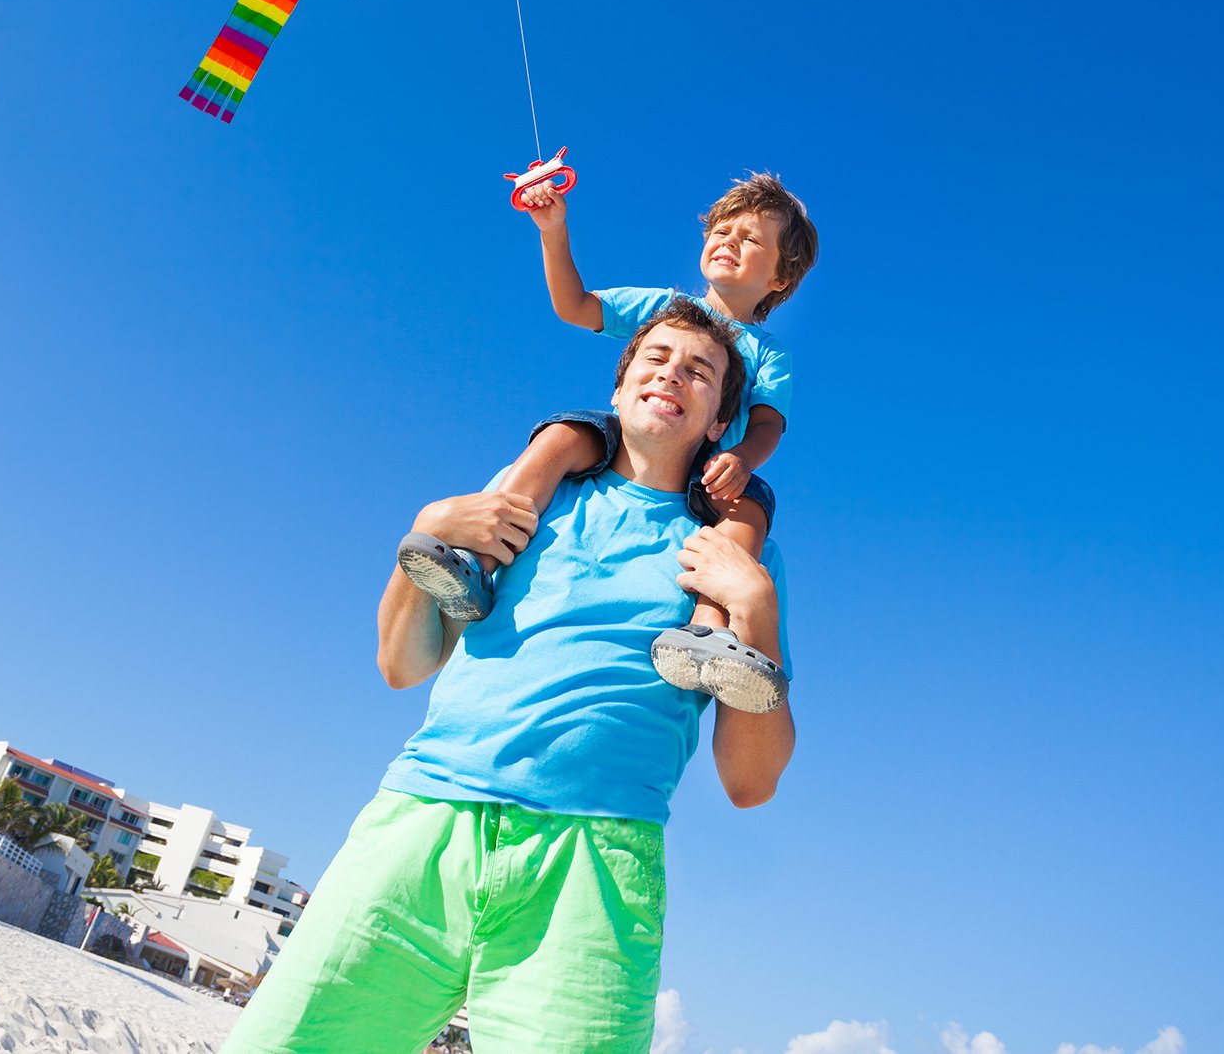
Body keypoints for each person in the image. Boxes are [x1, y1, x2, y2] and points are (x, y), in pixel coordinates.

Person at [217, 300, 795, 1054]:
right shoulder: (534, 493)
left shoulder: (733, 554)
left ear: (721, 422)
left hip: (594, 869)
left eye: (700, 371)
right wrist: (421, 537)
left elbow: (750, 784)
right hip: (424, 820)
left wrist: (756, 609)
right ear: (618, 393)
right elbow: (404, 664)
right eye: (654, 358)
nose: (672, 374)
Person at [398, 172, 818, 713]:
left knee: (751, 507)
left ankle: (706, 630)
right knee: (564, 435)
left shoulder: (767, 353)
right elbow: (574, 305)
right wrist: (553, 229)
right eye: (722, 229)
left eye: (752, 238)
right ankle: (478, 560)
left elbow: (767, 425)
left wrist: (740, 457)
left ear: (781, 278)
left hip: (709, 470)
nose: (729, 242)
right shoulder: (662, 306)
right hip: (629, 439)